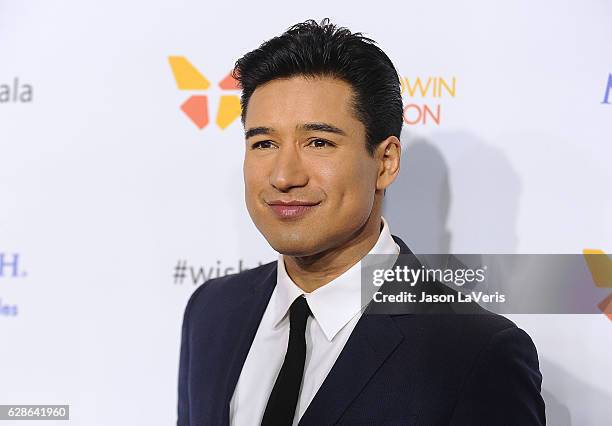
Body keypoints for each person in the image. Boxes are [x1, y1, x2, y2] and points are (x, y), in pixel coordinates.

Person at [177, 18, 545, 426]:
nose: (284, 176)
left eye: (319, 142)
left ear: (385, 162)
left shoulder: (473, 352)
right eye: (264, 143)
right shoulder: (211, 310)